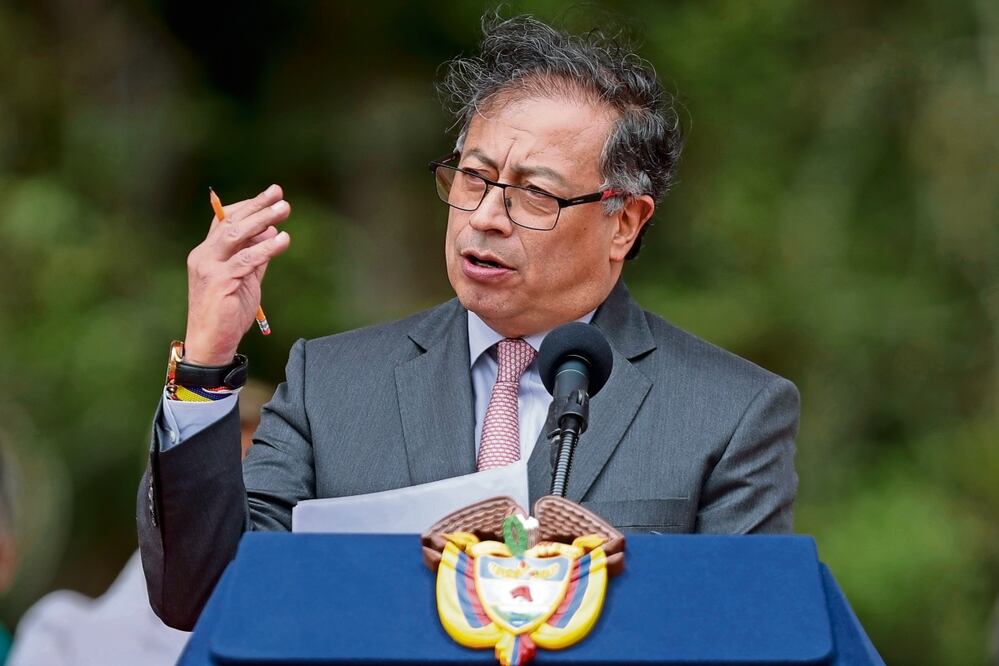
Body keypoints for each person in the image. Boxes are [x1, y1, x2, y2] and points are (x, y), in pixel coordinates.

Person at [138, 14, 800, 631]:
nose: (485, 215)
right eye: (473, 178)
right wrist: (204, 362)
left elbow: (743, 631)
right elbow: (202, 595)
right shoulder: (333, 385)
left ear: (622, 222)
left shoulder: (729, 412)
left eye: (534, 193)